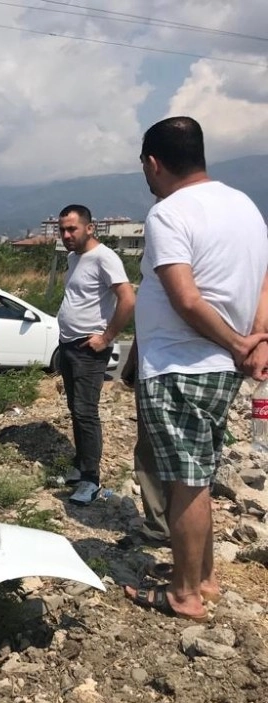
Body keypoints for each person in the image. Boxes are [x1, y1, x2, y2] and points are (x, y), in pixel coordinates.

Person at [125, 116, 268, 622]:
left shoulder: (168, 214)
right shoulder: (245, 207)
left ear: (153, 162)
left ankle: (184, 593)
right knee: (199, 475)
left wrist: (236, 341)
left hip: (180, 364)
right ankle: (203, 577)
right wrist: (256, 341)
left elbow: (185, 298)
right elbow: (263, 282)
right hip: (221, 367)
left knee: (184, 481)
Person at [55, 204, 136, 505]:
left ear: (90, 228)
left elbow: (128, 299)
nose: (66, 235)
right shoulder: (74, 258)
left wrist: (106, 337)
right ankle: (80, 467)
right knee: (77, 409)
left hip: (89, 349)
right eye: (63, 229)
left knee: (87, 411)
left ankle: (91, 480)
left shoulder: (105, 257)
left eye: (72, 229)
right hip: (69, 345)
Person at [118, 337, 170, 548]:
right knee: (151, 449)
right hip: (151, 365)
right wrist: (132, 362)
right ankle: (167, 527)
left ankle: (168, 528)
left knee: (154, 450)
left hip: (167, 367)